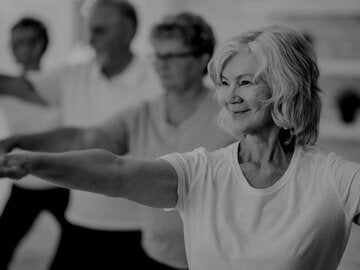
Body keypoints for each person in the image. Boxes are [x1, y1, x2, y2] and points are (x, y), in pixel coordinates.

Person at [2, 25, 360, 270]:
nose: (231, 96)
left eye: (246, 82)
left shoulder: (334, 178)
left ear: (286, 87)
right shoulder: (200, 171)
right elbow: (116, 171)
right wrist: (33, 161)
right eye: (225, 83)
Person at [0, 12, 234, 269]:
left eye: (172, 56)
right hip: (157, 254)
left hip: (216, 259)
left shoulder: (231, 113)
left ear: (202, 58)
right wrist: (20, 143)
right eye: (157, 55)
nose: (161, 64)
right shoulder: (142, 114)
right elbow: (86, 138)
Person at [2, 0, 162, 269]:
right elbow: (19, 86)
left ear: (127, 32)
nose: (91, 40)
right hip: (82, 220)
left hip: (137, 226)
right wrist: (15, 142)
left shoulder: (156, 81)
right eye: (90, 30)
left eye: (100, 31)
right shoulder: (73, 75)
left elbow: (89, 140)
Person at [0, 17, 66, 270]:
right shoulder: (7, 86)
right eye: (12, 42)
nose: (13, 48)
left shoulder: (59, 83)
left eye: (21, 42)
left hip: (61, 181)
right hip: (25, 182)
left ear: (38, 46)